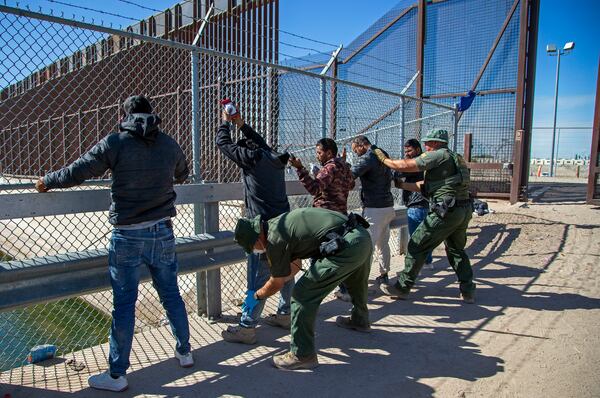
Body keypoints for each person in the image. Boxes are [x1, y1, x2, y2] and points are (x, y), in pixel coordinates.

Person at [35, 95, 193, 392]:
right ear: (152, 114)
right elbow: (182, 173)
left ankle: (117, 375)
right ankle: (184, 351)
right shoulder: (169, 143)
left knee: (124, 305)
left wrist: (47, 181)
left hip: (127, 235)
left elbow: (79, 171)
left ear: (126, 115)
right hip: (162, 231)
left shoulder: (116, 142)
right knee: (171, 294)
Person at [233, 207, 373, 370]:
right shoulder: (278, 224)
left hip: (345, 246)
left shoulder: (274, 240)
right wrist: (280, 278)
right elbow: (296, 266)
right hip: (361, 237)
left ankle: (302, 355)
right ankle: (360, 320)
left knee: (301, 296)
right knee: (356, 282)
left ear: (257, 239)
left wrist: (257, 295)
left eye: (252, 248)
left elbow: (276, 283)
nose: (255, 252)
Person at [216, 106, 294, 344]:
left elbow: (223, 144)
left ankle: (247, 327)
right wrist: (242, 124)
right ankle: (285, 314)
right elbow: (259, 141)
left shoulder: (251, 158)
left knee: (256, 280)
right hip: (284, 224)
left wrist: (225, 122)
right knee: (286, 271)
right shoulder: (273, 158)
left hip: (263, 229)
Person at [374, 129, 476, 303]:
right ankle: (467, 290)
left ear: (436, 143)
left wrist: (385, 160)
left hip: (445, 211)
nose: (426, 145)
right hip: (463, 209)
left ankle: (402, 287)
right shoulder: (454, 157)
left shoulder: (437, 155)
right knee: (456, 250)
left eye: (428, 142)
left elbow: (405, 165)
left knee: (416, 245)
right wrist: (401, 185)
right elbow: (427, 185)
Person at [289, 138, 355, 302]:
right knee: (336, 254)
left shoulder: (330, 167)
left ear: (329, 152)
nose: (317, 156)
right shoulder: (344, 167)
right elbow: (351, 185)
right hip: (340, 217)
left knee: (316, 254)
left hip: (324, 219)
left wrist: (300, 169)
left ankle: (311, 292)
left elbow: (314, 188)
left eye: (319, 152)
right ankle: (346, 290)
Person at [350, 135, 396, 285]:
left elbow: (351, 174)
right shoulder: (382, 153)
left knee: (367, 246)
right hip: (387, 205)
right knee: (383, 243)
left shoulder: (368, 157)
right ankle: (384, 274)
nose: (356, 153)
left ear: (361, 145)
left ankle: (361, 281)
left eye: (355, 149)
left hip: (374, 208)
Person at [394, 139, 433, 269]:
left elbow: (399, 172)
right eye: (406, 151)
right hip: (421, 204)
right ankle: (427, 261)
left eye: (409, 150)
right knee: (423, 235)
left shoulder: (417, 163)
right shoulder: (423, 161)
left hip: (417, 204)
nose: (407, 153)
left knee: (416, 238)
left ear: (417, 149)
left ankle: (416, 266)